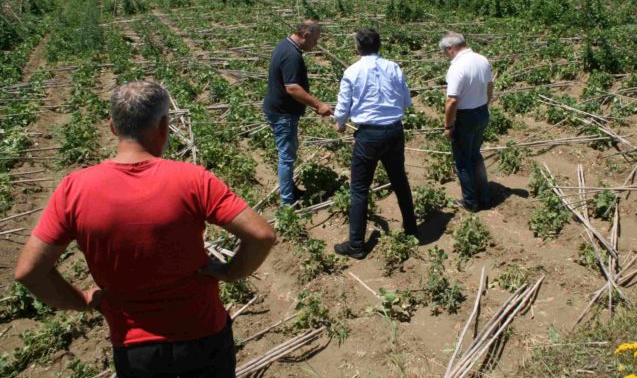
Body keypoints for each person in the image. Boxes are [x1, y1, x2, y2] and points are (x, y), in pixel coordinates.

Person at [15, 81, 276, 378]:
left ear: (113, 127)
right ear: (164, 126)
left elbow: (28, 271)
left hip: (135, 349)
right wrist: (231, 272)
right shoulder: (192, 180)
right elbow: (262, 235)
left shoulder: (74, 189)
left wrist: (81, 301)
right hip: (202, 336)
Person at [333, 29, 418, 258]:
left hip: (368, 136)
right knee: (399, 180)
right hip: (393, 131)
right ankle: (412, 229)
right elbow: (405, 101)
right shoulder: (394, 67)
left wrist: (340, 123)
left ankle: (356, 245)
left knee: (360, 189)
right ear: (379, 46)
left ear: (358, 48)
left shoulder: (352, 71)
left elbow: (343, 107)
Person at [263, 20, 333, 206]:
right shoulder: (292, 55)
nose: (315, 45)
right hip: (283, 113)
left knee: (287, 154)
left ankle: (290, 189)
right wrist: (318, 105)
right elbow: (292, 88)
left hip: (278, 109)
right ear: (306, 36)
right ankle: (287, 202)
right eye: (315, 40)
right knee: (286, 156)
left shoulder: (284, 45)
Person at [440, 32, 494, 211]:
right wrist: (483, 105)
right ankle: (484, 197)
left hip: (465, 117)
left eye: (446, 51)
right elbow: (490, 87)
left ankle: (471, 203)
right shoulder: (482, 59)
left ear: (451, 48)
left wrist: (448, 126)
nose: (447, 55)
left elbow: (452, 101)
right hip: (481, 112)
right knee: (475, 155)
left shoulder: (457, 66)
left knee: (462, 161)